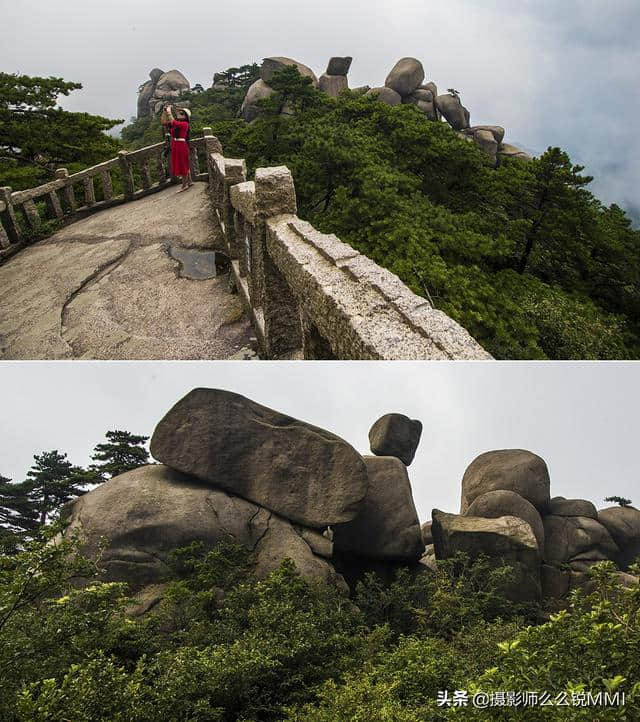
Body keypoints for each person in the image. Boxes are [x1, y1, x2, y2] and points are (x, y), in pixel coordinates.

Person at [163, 104, 193, 190]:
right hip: (176, 145)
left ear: (186, 117)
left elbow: (173, 121)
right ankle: (189, 182)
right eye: (179, 113)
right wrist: (165, 113)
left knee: (183, 165)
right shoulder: (177, 124)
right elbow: (164, 122)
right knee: (183, 164)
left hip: (180, 145)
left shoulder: (184, 124)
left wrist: (169, 112)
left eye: (182, 113)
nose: (179, 114)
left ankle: (184, 185)